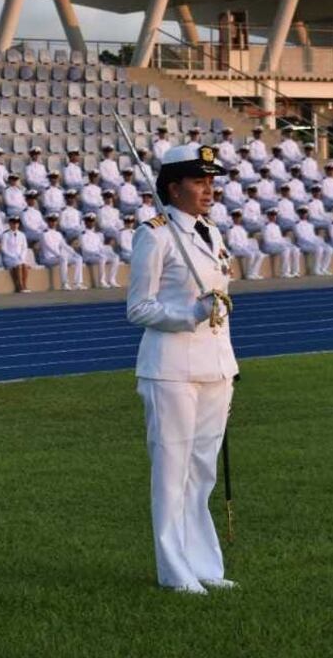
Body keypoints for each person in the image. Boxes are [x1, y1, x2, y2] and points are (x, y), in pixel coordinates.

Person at [126, 142, 238, 595]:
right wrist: (188, 313)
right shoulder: (153, 235)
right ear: (173, 188)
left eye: (211, 181)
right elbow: (138, 308)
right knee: (172, 473)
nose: (208, 189)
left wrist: (229, 364)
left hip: (215, 367)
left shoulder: (211, 232)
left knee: (201, 473)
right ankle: (174, 570)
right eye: (199, 181)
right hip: (170, 369)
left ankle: (204, 565)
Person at [36, 213, 84, 291]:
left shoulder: (58, 234)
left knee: (79, 258)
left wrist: (74, 253)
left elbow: (64, 245)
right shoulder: (43, 234)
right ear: (47, 222)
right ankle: (64, 283)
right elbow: (48, 246)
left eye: (55, 221)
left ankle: (77, 283)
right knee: (63, 258)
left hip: (57, 257)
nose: (53, 223)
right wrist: (58, 255)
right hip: (47, 258)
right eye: (51, 221)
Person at [78, 212, 121, 289]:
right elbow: (85, 249)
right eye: (89, 221)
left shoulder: (97, 235)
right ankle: (102, 281)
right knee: (102, 257)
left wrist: (108, 250)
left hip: (97, 255)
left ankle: (111, 280)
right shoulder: (82, 234)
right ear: (85, 223)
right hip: (88, 256)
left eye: (92, 221)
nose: (91, 223)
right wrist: (97, 253)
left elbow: (100, 247)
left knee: (115, 257)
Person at [259, 210, 302, 278]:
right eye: (271, 215)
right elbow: (267, 241)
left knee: (295, 249)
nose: (273, 217)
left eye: (274, 215)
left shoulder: (277, 226)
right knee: (285, 249)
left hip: (277, 245)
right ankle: (285, 272)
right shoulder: (265, 226)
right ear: (268, 216)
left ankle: (295, 271)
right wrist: (280, 244)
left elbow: (280, 239)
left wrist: (285, 243)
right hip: (269, 246)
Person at [293, 207, 333, 276]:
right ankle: (316, 269)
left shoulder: (310, 225)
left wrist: (320, 241)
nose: (304, 215)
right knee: (319, 248)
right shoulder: (296, 225)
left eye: (305, 213)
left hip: (311, 244)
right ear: (299, 214)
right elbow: (300, 237)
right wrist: (314, 243)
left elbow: (313, 236)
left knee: (330, 249)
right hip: (303, 244)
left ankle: (324, 268)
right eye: (302, 213)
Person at [225, 211, 265, 280]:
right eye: (236, 218)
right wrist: (241, 247)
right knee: (251, 254)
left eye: (239, 217)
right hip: (236, 250)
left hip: (244, 249)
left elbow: (246, 242)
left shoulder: (242, 228)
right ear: (233, 218)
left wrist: (248, 247)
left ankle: (254, 273)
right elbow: (230, 243)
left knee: (260, 255)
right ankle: (248, 275)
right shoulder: (231, 229)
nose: (238, 219)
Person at [0, 215, 31, 293]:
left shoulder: (22, 234)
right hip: (9, 258)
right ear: (10, 224)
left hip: (20, 258)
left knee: (24, 266)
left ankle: (24, 284)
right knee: (19, 265)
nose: (15, 225)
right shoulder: (5, 234)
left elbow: (25, 247)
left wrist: (22, 256)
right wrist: (13, 256)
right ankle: (20, 286)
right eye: (13, 223)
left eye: (16, 223)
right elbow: (4, 248)